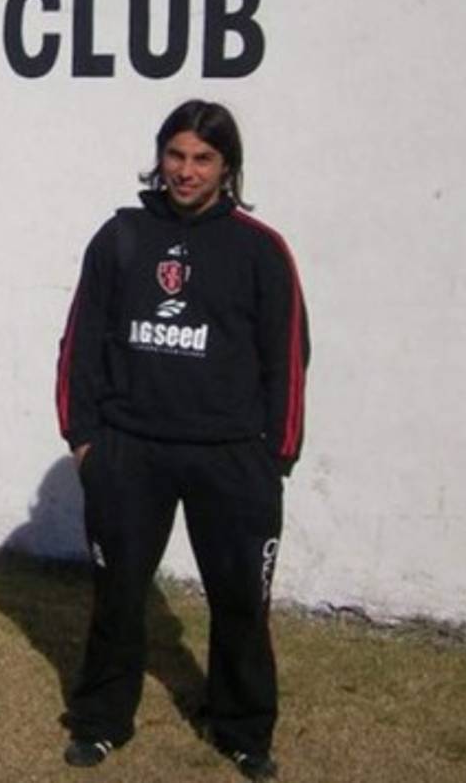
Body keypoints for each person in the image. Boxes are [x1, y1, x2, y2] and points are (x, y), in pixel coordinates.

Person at [54, 99, 309, 780]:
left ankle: (243, 730)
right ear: (159, 156)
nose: (186, 171)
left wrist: (276, 455)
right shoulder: (120, 237)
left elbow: (287, 356)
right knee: (117, 597)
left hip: (231, 456)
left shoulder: (261, 249)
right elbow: (81, 343)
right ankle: (101, 721)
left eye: (203, 158)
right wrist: (84, 439)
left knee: (241, 603)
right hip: (130, 452)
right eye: (176, 155)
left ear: (227, 168)